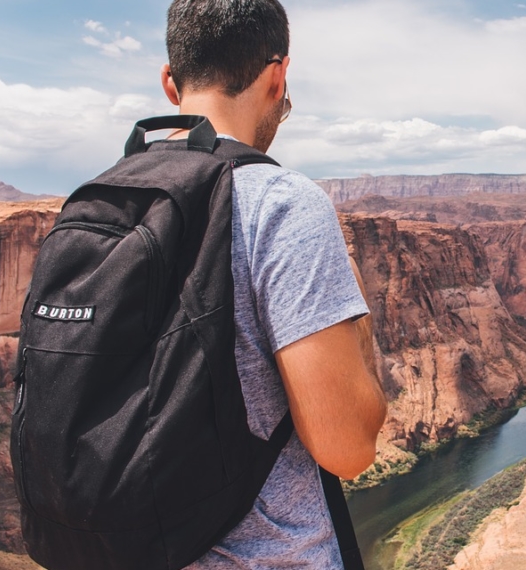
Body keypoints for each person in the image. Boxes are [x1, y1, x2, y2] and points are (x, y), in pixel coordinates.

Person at [159, 1, 387, 567]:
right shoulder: (282, 205)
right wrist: (357, 324)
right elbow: (349, 449)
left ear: (170, 83)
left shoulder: (97, 206)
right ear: (277, 76)